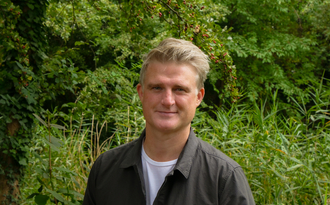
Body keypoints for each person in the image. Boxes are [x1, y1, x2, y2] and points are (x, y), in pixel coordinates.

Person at [82, 38, 255, 205]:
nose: (167, 100)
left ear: (198, 97)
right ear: (141, 93)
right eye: (157, 88)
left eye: (179, 89)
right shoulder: (105, 170)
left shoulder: (224, 178)